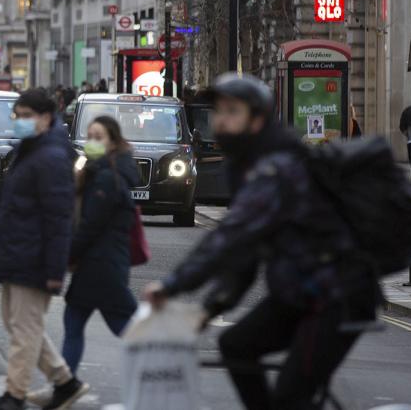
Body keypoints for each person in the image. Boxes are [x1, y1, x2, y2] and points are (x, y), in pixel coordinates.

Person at [143, 73, 376, 410]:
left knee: (288, 397)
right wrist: (210, 308)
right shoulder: (246, 166)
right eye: (218, 111)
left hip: (336, 296)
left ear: (258, 120)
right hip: (298, 291)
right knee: (235, 347)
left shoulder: (276, 168)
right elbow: (245, 254)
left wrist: (171, 285)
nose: (221, 121)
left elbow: (230, 236)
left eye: (232, 112)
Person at [0, 89, 85, 410]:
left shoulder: (51, 157)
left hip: (35, 257)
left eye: (27, 116)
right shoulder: (31, 150)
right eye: (18, 116)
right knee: (17, 323)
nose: (21, 122)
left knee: (23, 329)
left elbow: (58, 219)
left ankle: (14, 395)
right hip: (17, 251)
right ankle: (65, 383)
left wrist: (55, 271)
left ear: (46, 117)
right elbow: (13, 212)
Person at [58, 117, 138, 393]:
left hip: (101, 266)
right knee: (75, 321)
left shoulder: (107, 177)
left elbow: (90, 226)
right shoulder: (99, 171)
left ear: (113, 142)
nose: (92, 142)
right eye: (89, 136)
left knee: (125, 327)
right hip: (98, 265)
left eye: (99, 137)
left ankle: (162, 369)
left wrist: (66, 255)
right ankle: (64, 384)